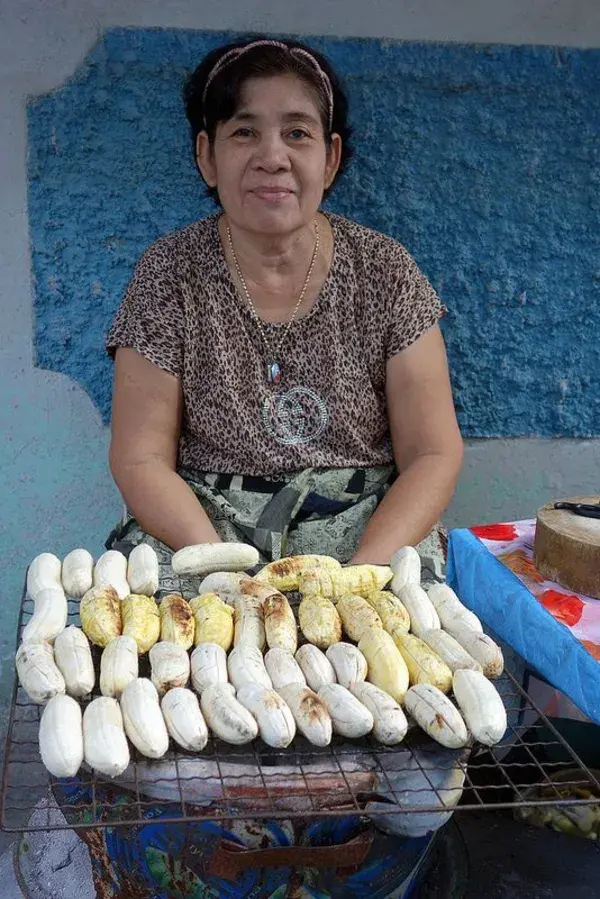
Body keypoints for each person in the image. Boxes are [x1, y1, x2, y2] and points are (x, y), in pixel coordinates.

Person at [105, 35, 463, 589]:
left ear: (331, 158)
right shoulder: (169, 274)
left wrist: (363, 576)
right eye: (244, 131)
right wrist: (222, 570)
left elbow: (434, 453)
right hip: (203, 528)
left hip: (366, 529)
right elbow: (139, 458)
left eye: (297, 133)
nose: (272, 157)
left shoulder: (386, 271)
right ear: (207, 156)